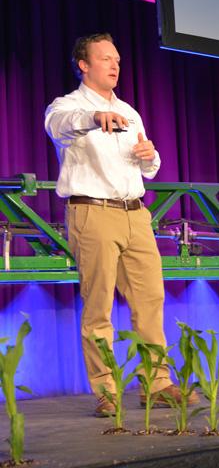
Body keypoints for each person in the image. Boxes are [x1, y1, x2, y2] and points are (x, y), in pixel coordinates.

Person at [44, 33, 198, 416]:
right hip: (93, 213)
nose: (115, 65)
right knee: (99, 306)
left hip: (136, 213)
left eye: (118, 59)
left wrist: (150, 156)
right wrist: (94, 117)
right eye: (106, 58)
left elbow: (147, 165)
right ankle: (106, 391)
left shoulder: (129, 110)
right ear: (84, 64)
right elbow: (60, 125)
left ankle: (157, 384)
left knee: (150, 301)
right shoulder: (68, 106)